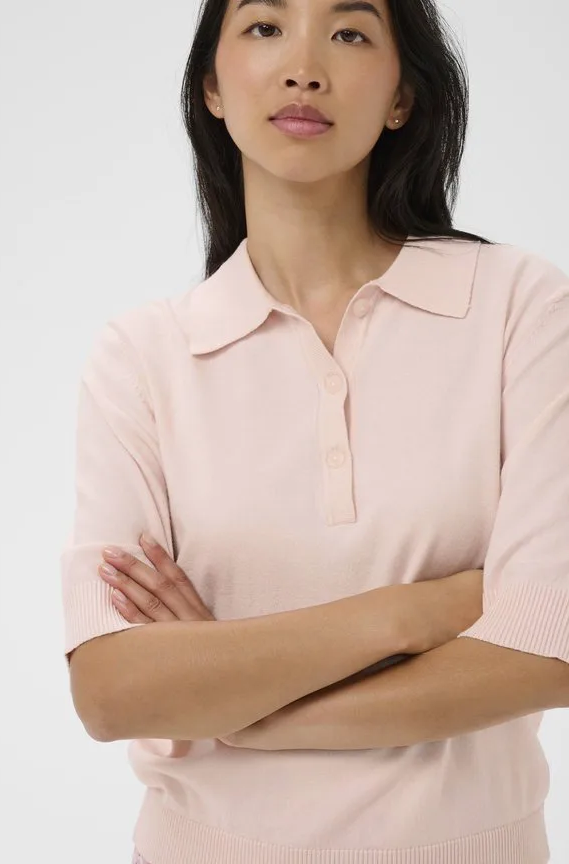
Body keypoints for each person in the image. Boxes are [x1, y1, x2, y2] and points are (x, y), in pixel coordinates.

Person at [61, 0, 569, 862]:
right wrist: (421, 609)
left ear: (402, 96)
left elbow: (546, 656)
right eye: (265, 27)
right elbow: (112, 692)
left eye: (350, 32)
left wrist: (242, 711)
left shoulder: (520, 308)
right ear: (212, 86)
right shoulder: (143, 357)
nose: (304, 67)